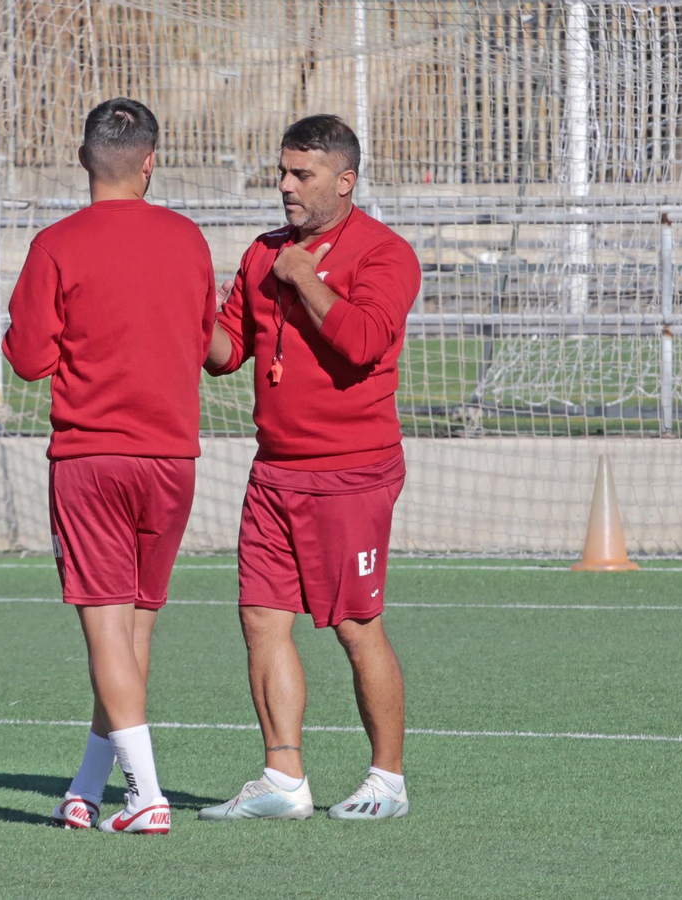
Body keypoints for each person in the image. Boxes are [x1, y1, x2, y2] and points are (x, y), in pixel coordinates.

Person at [198, 114, 422, 822]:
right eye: (283, 173)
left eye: (303, 175)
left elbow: (360, 342)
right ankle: (283, 778)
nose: (286, 187)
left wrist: (303, 275)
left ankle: (387, 779)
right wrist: (174, 304)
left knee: (357, 627)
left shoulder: (385, 254)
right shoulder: (263, 253)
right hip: (274, 473)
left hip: (351, 474)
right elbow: (226, 351)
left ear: (345, 181)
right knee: (262, 621)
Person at [3, 98, 216, 835]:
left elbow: (28, 359)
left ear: (83, 157)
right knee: (133, 633)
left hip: (92, 457)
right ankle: (89, 787)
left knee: (104, 633)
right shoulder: (189, 240)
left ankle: (149, 797)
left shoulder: (57, 243)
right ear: (150, 161)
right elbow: (207, 341)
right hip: (171, 459)